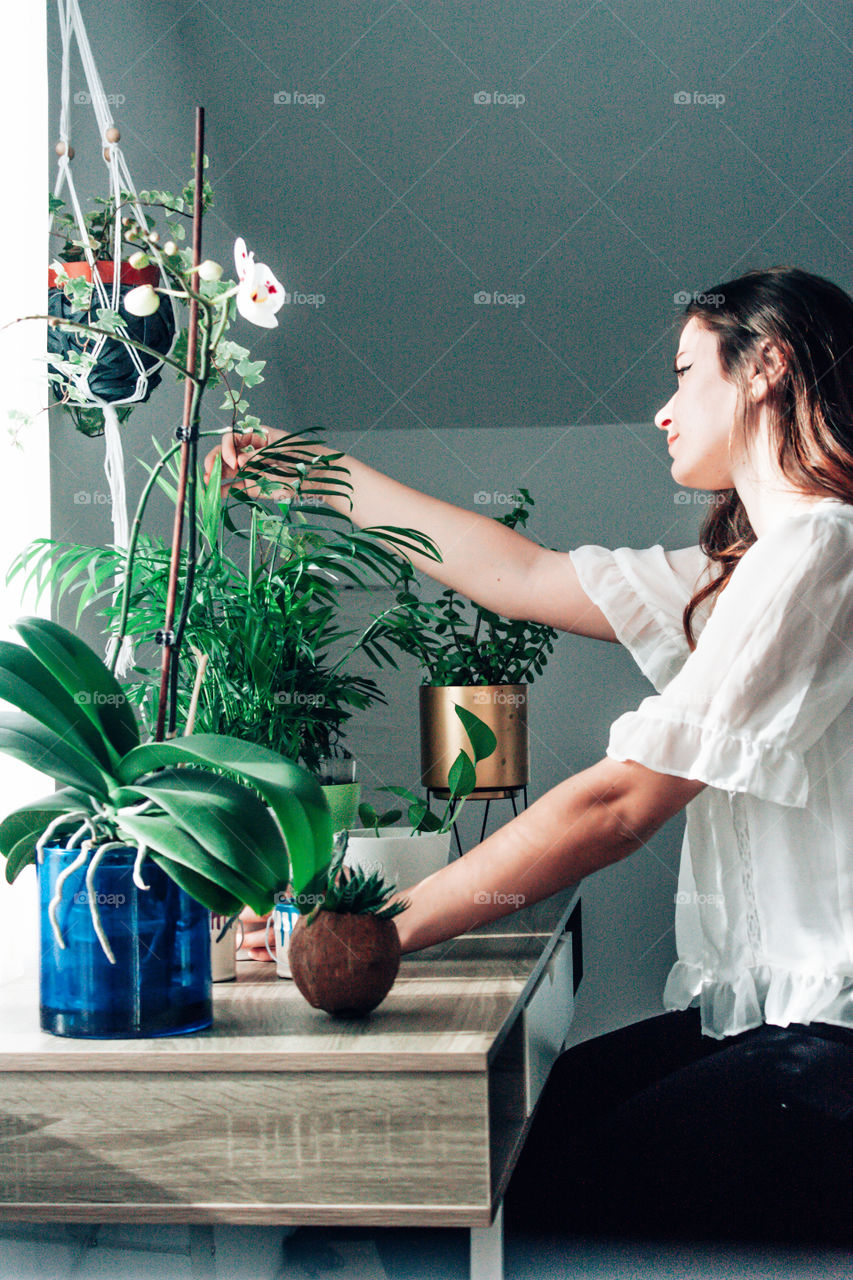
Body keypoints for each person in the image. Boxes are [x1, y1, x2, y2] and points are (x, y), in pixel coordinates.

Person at [204, 266, 853, 1247]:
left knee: (479, 1185)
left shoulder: (821, 551)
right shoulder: (751, 573)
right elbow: (521, 575)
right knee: (481, 1141)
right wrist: (316, 475)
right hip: (772, 1025)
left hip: (827, 1053)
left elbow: (616, 806)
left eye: (684, 373)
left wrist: (373, 932)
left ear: (765, 365)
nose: (662, 409)